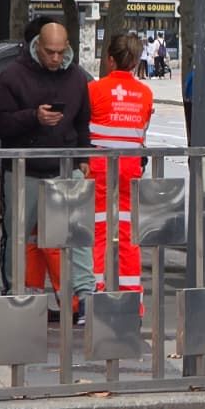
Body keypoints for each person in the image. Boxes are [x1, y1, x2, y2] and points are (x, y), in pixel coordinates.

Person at [0, 18, 94, 321]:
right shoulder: (12, 76)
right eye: (50, 52)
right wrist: (33, 117)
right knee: (17, 234)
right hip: (24, 171)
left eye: (61, 52)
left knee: (76, 235)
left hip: (65, 167)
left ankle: (83, 294)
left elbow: (82, 121)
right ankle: (14, 293)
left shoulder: (76, 78)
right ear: (38, 47)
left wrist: (84, 157)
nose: (56, 58)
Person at [88, 33, 154, 297]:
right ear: (137, 61)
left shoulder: (94, 89)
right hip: (131, 167)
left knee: (97, 231)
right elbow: (142, 131)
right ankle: (131, 295)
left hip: (98, 166)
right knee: (128, 233)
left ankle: (91, 295)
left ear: (110, 60)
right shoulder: (145, 93)